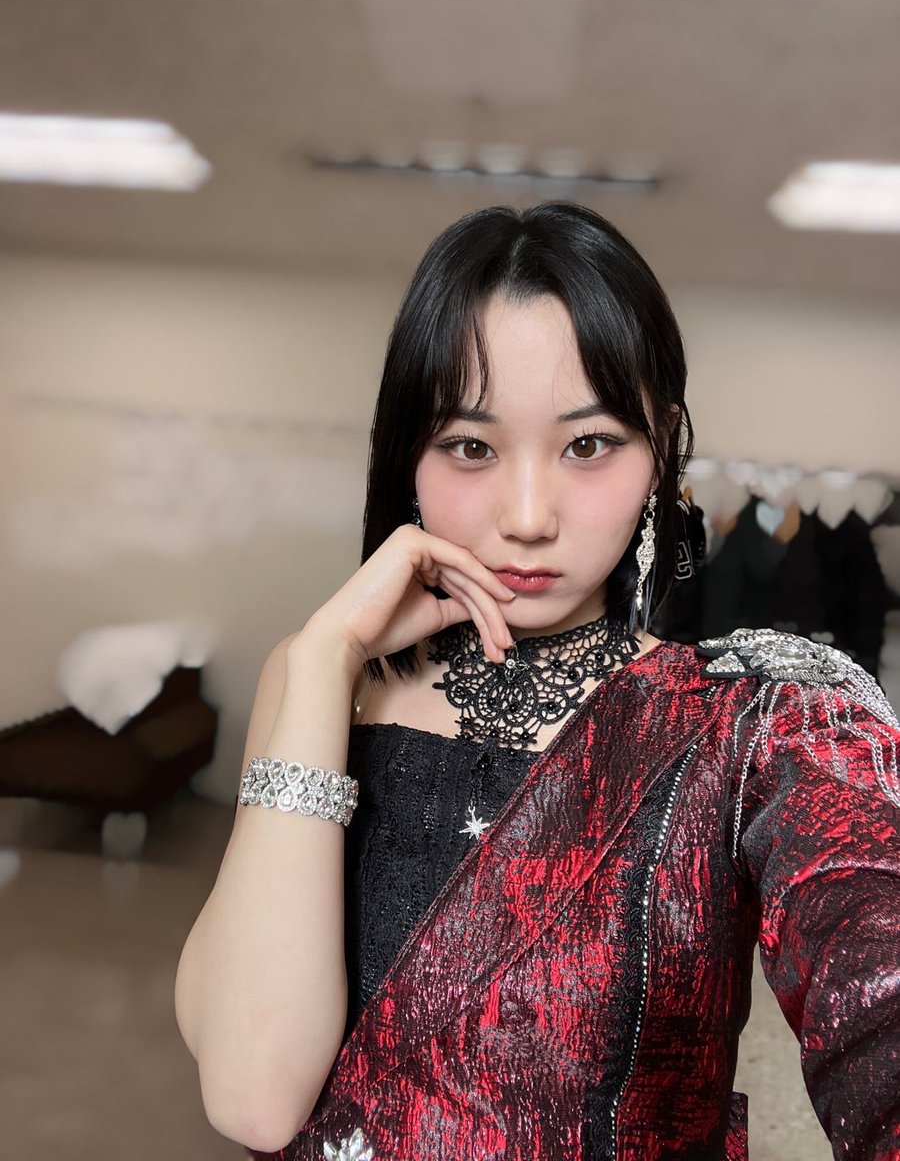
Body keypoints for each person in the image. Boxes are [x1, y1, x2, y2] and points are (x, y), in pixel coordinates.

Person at [174, 203, 900, 1161]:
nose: (527, 516)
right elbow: (254, 1096)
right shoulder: (317, 680)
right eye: (471, 446)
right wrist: (320, 661)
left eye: (588, 444)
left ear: (663, 445)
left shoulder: (755, 721)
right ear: (408, 454)